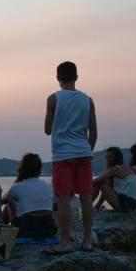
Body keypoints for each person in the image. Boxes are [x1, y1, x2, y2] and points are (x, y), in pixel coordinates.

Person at [44, 61, 98, 254]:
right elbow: (93, 132)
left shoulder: (53, 99)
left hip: (62, 155)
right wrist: (87, 151)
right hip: (84, 153)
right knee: (86, 198)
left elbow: (47, 129)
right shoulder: (87, 100)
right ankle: (86, 241)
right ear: (76, 77)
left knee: (63, 198)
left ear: (58, 78)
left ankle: (65, 241)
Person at [3, 153, 57, 239]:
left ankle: (6, 228)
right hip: (49, 228)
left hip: (26, 229)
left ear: (22, 168)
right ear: (39, 169)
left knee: (9, 200)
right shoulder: (49, 187)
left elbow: (5, 200)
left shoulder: (17, 186)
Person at [92, 147, 136, 212]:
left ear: (117, 157)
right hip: (134, 204)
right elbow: (107, 191)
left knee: (100, 182)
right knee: (102, 183)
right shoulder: (127, 167)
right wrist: (98, 205)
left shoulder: (115, 169)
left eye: (110, 156)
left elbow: (95, 181)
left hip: (126, 204)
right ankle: (94, 207)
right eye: (106, 157)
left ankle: (86, 206)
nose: (107, 159)